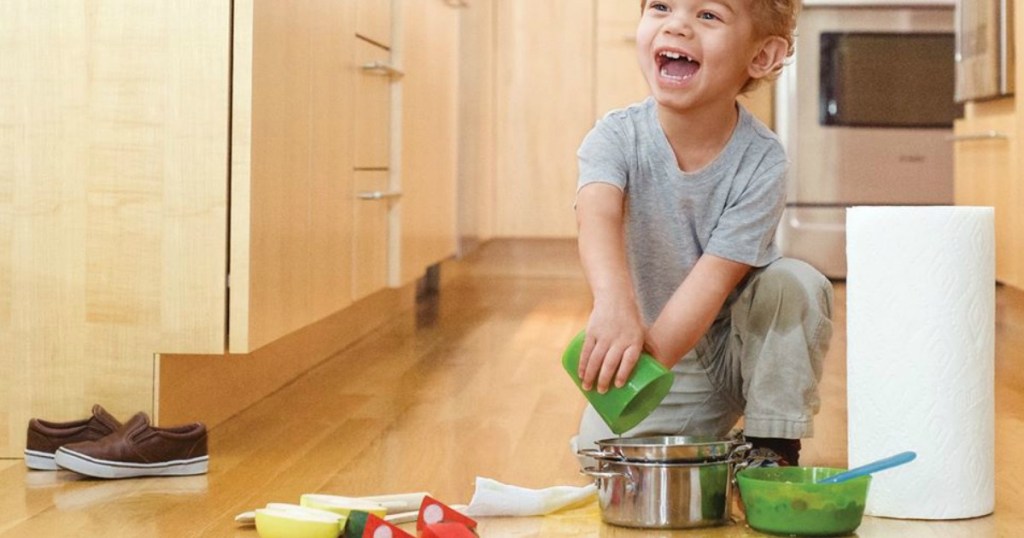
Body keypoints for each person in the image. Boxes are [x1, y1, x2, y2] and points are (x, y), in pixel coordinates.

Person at [573, 0, 833, 466]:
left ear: (761, 57)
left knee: (795, 283)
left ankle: (771, 445)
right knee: (597, 458)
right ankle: (718, 442)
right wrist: (613, 305)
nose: (677, 25)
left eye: (708, 15)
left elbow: (715, 279)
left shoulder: (762, 160)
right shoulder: (614, 137)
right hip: (669, 355)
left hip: (742, 348)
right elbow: (597, 215)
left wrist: (644, 360)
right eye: (661, 6)